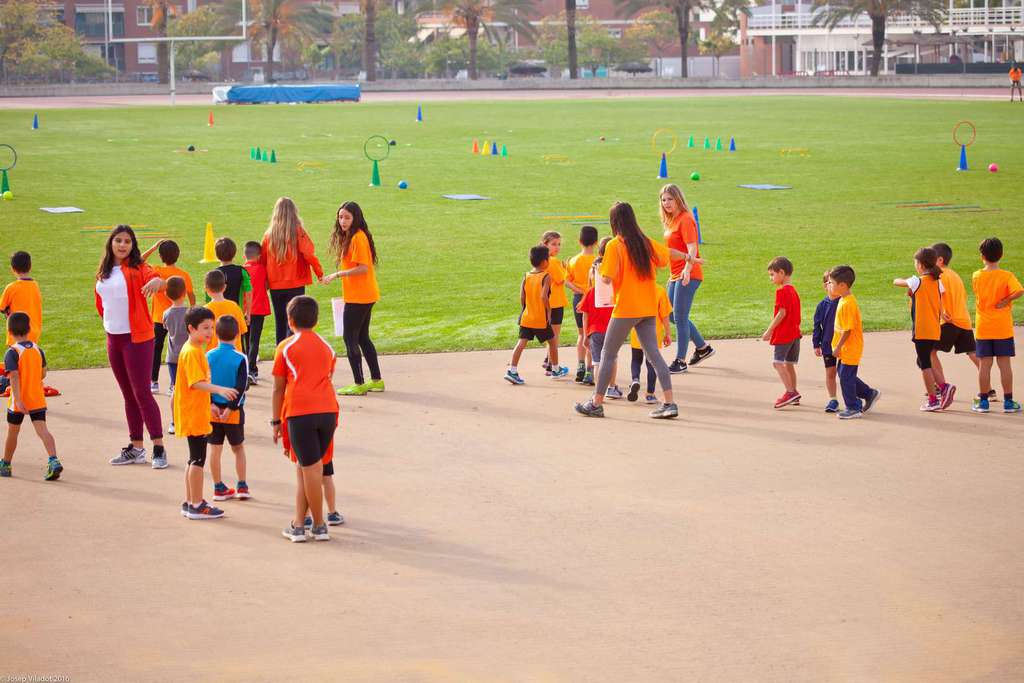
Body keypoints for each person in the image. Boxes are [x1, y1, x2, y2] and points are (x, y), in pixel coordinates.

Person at [574, 202, 681, 419]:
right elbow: (666, 255)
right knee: (654, 355)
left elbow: (607, 277)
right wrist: (688, 257)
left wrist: (599, 270)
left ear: (614, 221)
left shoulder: (615, 245)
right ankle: (669, 403)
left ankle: (596, 403)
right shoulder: (644, 241)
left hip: (626, 308)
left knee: (608, 354)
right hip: (647, 307)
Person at [95, 225, 169, 468]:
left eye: (127, 241)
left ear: (133, 245)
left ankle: (159, 448)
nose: (122, 245)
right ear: (111, 243)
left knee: (142, 394)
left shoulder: (139, 267)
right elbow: (101, 301)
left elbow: (157, 280)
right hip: (113, 339)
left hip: (137, 339)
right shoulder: (104, 270)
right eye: (118, 240)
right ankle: (136, 448)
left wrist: (157, 282)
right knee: (128, 395)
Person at [271, 296, 339, 543]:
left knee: (310, 469)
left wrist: (275, 421)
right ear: (316, 320)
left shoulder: (285, 347)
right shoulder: (327, 347)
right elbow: (327, 377)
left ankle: (319, 525)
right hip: (328, 411)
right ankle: (298, 524)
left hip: (300, 412)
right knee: (306, 468)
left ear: (289, 320)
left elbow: (278, 388)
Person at [173, 307, 239, 520]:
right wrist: (220, 390)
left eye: (211, 327)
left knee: (193, 459)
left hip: (193, 411)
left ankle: (190, 501)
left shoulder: (193, 348)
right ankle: (197, 504)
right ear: (191, 328)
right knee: (198, 460)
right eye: (205, 328)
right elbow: (196, 383)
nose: (210, 332)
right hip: (194, 414)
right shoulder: (192, 352)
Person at [323, 202, 384, 396]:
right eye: (340, 217)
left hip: (359, 297)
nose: (343, 221)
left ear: (355, 218)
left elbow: (363, 268)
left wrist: (337, 274)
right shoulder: (353, 236)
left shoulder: (358, 238)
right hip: (363, 294)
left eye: (347, 217)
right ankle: (376, 380)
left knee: (350, 338)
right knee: (363, 337)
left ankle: (359, 383)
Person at [659, 184, 714, 373]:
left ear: (678, 199)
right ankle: (703, 348)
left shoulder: (686, 219)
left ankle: (680, 361)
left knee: (680, 317)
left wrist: (687, 269)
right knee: (670, 315)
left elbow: (692, 248)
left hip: (689, 274)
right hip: (675, 274)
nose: (666, 203)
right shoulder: (671, 220)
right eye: (663, 200)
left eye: (670, 199)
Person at [1, 313, 62, 481]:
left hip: (18, 401)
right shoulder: (37, 350)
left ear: (9, 331)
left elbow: (14, 377)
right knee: (43, 431)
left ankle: (6, 464)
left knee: (13, 433)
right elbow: (43, 373)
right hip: (37, 398)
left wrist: (18, 400)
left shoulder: (12, 352)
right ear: (29, 329)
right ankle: (53, 460)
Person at [260, 197, 324, 345]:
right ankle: (292, 352)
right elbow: (309, 254)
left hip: (276, 284)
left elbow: (262, 260)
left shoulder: (269, 235)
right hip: (296, 283)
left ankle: (280, 353)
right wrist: (319, 272)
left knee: (280, 321)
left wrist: (264, 282)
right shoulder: (298, 232)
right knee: (295, 321)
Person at [970, 237, 1023, 413]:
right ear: (1001, 255)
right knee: (1004, 364)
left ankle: (983, 401)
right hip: (1002, 327)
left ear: (982, 256)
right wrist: (1006, 300)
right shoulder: (1007, 276)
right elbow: (1019, 290)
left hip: (984, 327)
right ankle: (1008, 401)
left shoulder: (977, 275)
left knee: (984, 365)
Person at [893, 247, 947, 412]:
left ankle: (934, 398)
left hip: (922, 329)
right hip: (934, 328)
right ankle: (943, 387)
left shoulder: (917, 281)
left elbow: (898, 282)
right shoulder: (937, 282)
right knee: (924, 360)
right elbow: (938, 299)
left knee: (924, 365)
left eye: (915, 263)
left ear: (921, 265)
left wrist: (901, 280)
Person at [929, 242, 983, 407]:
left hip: (949, 321)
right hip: (963, 320)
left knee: (929, 352)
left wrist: (941, 312)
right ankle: (988, 388)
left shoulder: (938, 275)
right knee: (973, 353)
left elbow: (937, 296)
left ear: (939, 260)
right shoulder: (955, 275)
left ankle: (941, 386)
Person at [206, 316, 251, 502]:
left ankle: (218, 487)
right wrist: (231, 409)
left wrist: (211, 403)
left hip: (213, 410)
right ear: (237, 334)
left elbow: (204, 382)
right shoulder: (241, 358)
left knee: (215, 449)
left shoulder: (208, 356)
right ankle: (242, 485)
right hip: (234, 411)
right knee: (238, 448)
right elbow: (242, 386)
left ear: (216, 334)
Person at [142, 240, 194, 394]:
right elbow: (191, 295)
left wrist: (153, 247)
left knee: (156, 349)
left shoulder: (156, 271)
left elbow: (138, 261)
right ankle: (175, 383)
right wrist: (192, 310)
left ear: (160, 256)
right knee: (179, 349)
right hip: (179, 317)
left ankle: (154, 381)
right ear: (178, 255)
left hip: (159, 318)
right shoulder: (183, 275)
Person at [829, 265, 880, 420]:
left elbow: (848, 330)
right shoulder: (843, 299)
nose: (828, 285)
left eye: (831, 283)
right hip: (846, 348)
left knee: (846, 377)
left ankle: (853, 407)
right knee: (844, 374)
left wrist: (838, 347)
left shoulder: (848, 304)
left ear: (842, 285)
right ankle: (869, 393)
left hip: (850, 347)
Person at [505, 246, 561, 385]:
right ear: (544, 262)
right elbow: (543, 296)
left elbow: (522, 296)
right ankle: (555, 369)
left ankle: (512, 370)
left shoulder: (526, 275)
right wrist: (548, 311)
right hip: (540, 318)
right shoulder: (546, 276)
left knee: (521, 343)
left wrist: (525, 309)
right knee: (552, 342)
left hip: (526, 317)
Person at [575, 238, 617, 392]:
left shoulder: (590, 293)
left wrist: (586, 335)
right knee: (612, 360)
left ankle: (598, 391)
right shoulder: (615, 292)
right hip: (611, 330)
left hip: (594, 332)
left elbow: (584, 315)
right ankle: (611, 387)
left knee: (598, 362)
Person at [762, 257, 802, 409]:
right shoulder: (793, 291)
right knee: (789, 364)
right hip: (795, 333)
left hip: (784, 334)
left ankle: (790, 392)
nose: (771, 278)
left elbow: (781, 313)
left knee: (777, 362)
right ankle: (794, 393)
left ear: (781, 272)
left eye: (772, 274)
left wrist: (769, 330)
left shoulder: (782, 291)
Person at [0, 251, 41, 396]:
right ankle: (31, 385)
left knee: (15, 364)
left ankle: (15, 390)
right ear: (30, 266)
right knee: (29, 361)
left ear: (12, 268)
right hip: (33, 331)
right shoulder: (35, 285)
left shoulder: (11, 287)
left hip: (16, 332)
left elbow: (2, 307)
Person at [627, 284, 671, 404]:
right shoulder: (660, 291)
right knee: (652, 363)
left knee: (636, 360)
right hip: (653, 333)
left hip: (636, 331)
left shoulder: (634, 289)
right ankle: (650, 394)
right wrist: (668, 333)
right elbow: (665, 315)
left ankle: (635, 379)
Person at [566, 225, 599, 383]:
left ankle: (580, 366)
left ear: (579, 241)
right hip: (594, 299)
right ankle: (589, 370)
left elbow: (566, 281)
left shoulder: (573, 260)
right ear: (596, 242)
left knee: (581, 334)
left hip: (578, 299)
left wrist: (579, 290)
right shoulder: (597, 261)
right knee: (591, 334)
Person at [162, 276, 189, 436]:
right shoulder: (189, 313)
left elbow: (165, 327)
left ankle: (174, 421)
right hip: (188, 356)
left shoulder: (166, 313)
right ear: (184, 293)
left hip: (172, 357)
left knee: (175, 389)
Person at [540, 231, 569, 378]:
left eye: (559, 244)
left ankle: (548, 360)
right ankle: (552, 366)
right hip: (555, 303)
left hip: (546, 303)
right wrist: (566, 267)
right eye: (553, 244)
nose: (557, 247)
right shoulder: (554, 262)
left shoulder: (542, 260)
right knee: (554, 336)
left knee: (550, 334)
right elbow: (562, 279)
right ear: (545, 244)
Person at [811, 271, 840, 412]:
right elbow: (817, 326)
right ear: (825, 286)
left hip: (844, 345)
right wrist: (816, 344)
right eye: (831, 282)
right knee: (830, 373)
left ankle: (853, 398)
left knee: (845, 373)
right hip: (828, 345)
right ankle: (833, 399)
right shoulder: (822, 306)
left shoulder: (844, 302)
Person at [242, 241, 270, 385]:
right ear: (259, 256)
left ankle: (246, 367)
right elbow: (267, 285)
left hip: (245, 310)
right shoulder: (262, 269)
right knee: (254, 340)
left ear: (244, 255)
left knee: (246, 340)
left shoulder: (242, 270)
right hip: (258, 309)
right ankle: (251, 370)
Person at [204, 270, 247, 353]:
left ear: (206, 289)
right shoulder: (234, 306)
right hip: (234, 354)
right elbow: (242, 330)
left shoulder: (205, 310)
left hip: (214, 354)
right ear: (224, 287)